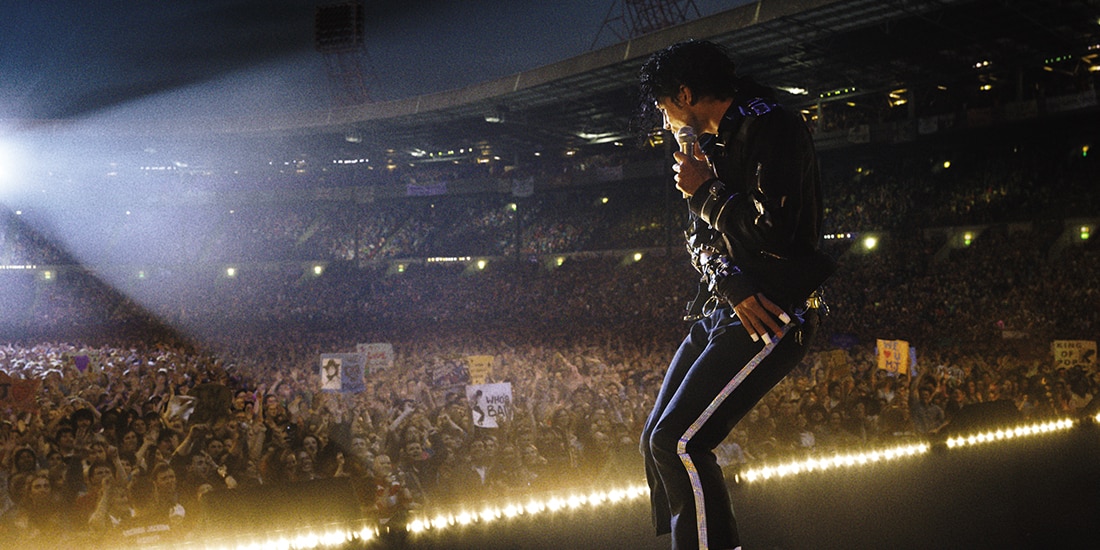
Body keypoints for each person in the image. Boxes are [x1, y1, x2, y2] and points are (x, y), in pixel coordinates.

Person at [637, 39, 835, 550]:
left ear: (684, 93)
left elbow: (779, 233)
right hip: (730, 302)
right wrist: (732, 282)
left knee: (679, 442)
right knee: (655, 440)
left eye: (664, 106)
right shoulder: (707, 142)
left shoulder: (773, 127)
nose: (664, 120)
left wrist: (705, 190)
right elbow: (696, 236)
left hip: (775, 311)